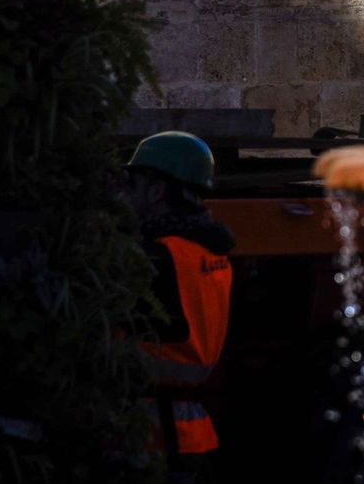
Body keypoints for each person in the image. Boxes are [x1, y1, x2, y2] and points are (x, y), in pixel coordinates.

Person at [120, 131, 235, 483]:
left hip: (151, 437)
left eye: (133, 184)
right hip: (191, 432)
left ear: (157, 191)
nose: (127, 194)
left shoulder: (154, 257)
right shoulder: (210, 251)